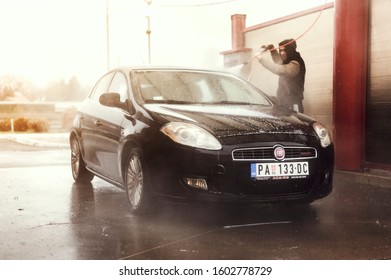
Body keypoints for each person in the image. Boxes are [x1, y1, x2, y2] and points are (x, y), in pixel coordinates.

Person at [257, 39, 306, 113]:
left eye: (285, 51)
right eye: (281, 51)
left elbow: (279, 69)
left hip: (293, 104)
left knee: (294, 123)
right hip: (284, 103)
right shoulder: (287, 60)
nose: (282, 53)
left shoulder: (295, 64)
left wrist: (262, 60)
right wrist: (272, 48)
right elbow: (278, 61)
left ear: (290, 51)